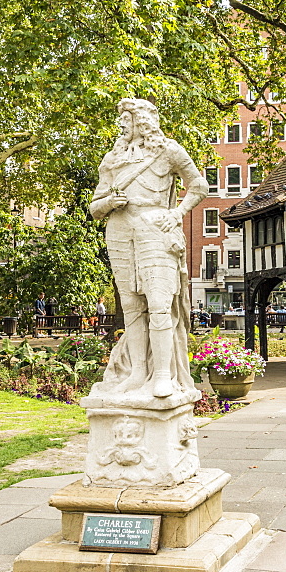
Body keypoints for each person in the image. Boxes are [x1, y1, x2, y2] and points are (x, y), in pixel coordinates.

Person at [89, 97, 209, 397]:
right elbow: (95, 207)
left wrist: (177, 213)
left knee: (158, 303)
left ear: (141, 121)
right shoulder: (112, 160)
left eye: (126, 120)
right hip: (119, 229)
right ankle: (138, 372)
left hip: (155, 226)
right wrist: (108, 202)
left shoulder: (169, 151)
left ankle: (164, 376)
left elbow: (199, 186)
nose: (121, 125)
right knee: (130, 306)